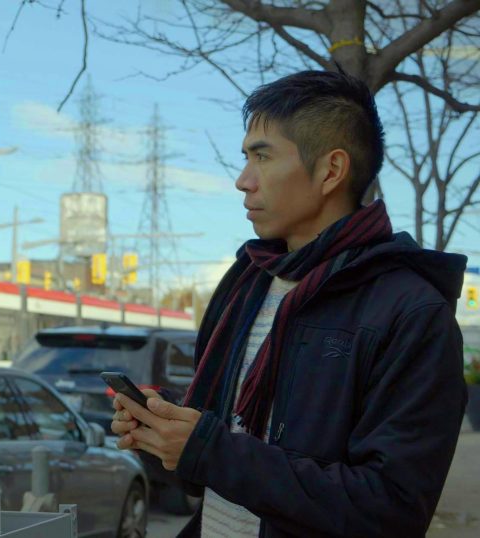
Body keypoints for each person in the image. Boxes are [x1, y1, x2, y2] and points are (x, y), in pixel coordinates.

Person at [111, 70, 468, 537]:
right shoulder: (248, 280)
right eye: (245, 158)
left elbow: (392, 509)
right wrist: (163, 432)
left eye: (262, 156)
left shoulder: (411, 312)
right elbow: (225, 452)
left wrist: (211, 449)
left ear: (330, 171)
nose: (243, 181)